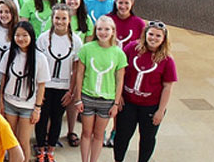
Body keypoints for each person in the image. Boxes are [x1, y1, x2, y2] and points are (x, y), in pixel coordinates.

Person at [113, 21, 177, 162]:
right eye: (151, 34)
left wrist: (160, 110)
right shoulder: (131, 48)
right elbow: (119, 71)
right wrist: (118, 96)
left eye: (158, 36)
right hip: (128, 103)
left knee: (147, 138)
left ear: (163, 39)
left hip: (150, 106)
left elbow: (167, 86)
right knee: (122, 135)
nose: (153, 38)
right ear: (145, 34)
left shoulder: (167, 60)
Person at [73, 16, 127, 162]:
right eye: (100, 29)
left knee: (98, 134)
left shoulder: (119, 53)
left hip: (107, 100)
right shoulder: (86, 49)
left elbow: (119, 79)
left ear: (113, 31)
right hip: (87, 97)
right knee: (86, 132)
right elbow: (79, 74)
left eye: (107, 29)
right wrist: (78, 98)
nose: (103, 32)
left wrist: (116, 103)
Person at [35, 4, 83, 161]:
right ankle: (40, 149)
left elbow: (76, 70)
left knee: (56, 119)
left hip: (63, 88)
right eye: (57, 18)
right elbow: (38, 66)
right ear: (52, 18)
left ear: (69, 20)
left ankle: (51, 150)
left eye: (64, 18)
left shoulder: (76, 41)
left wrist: (71, 91)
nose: (60, 22)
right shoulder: (43, 38)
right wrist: (37, 90)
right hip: (45, 86)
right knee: (42, 119)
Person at [0, 21, 50, 161]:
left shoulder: (40, 58)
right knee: (10, 140)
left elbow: (42, 86)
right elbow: (4, 78)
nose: (21, 39)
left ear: (32, 36)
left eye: (24, 35)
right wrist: (1, 102)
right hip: (10, 103)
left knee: (23, 141)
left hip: (28, 106)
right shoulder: (10, 54)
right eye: (17, 35)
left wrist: (37, 109)